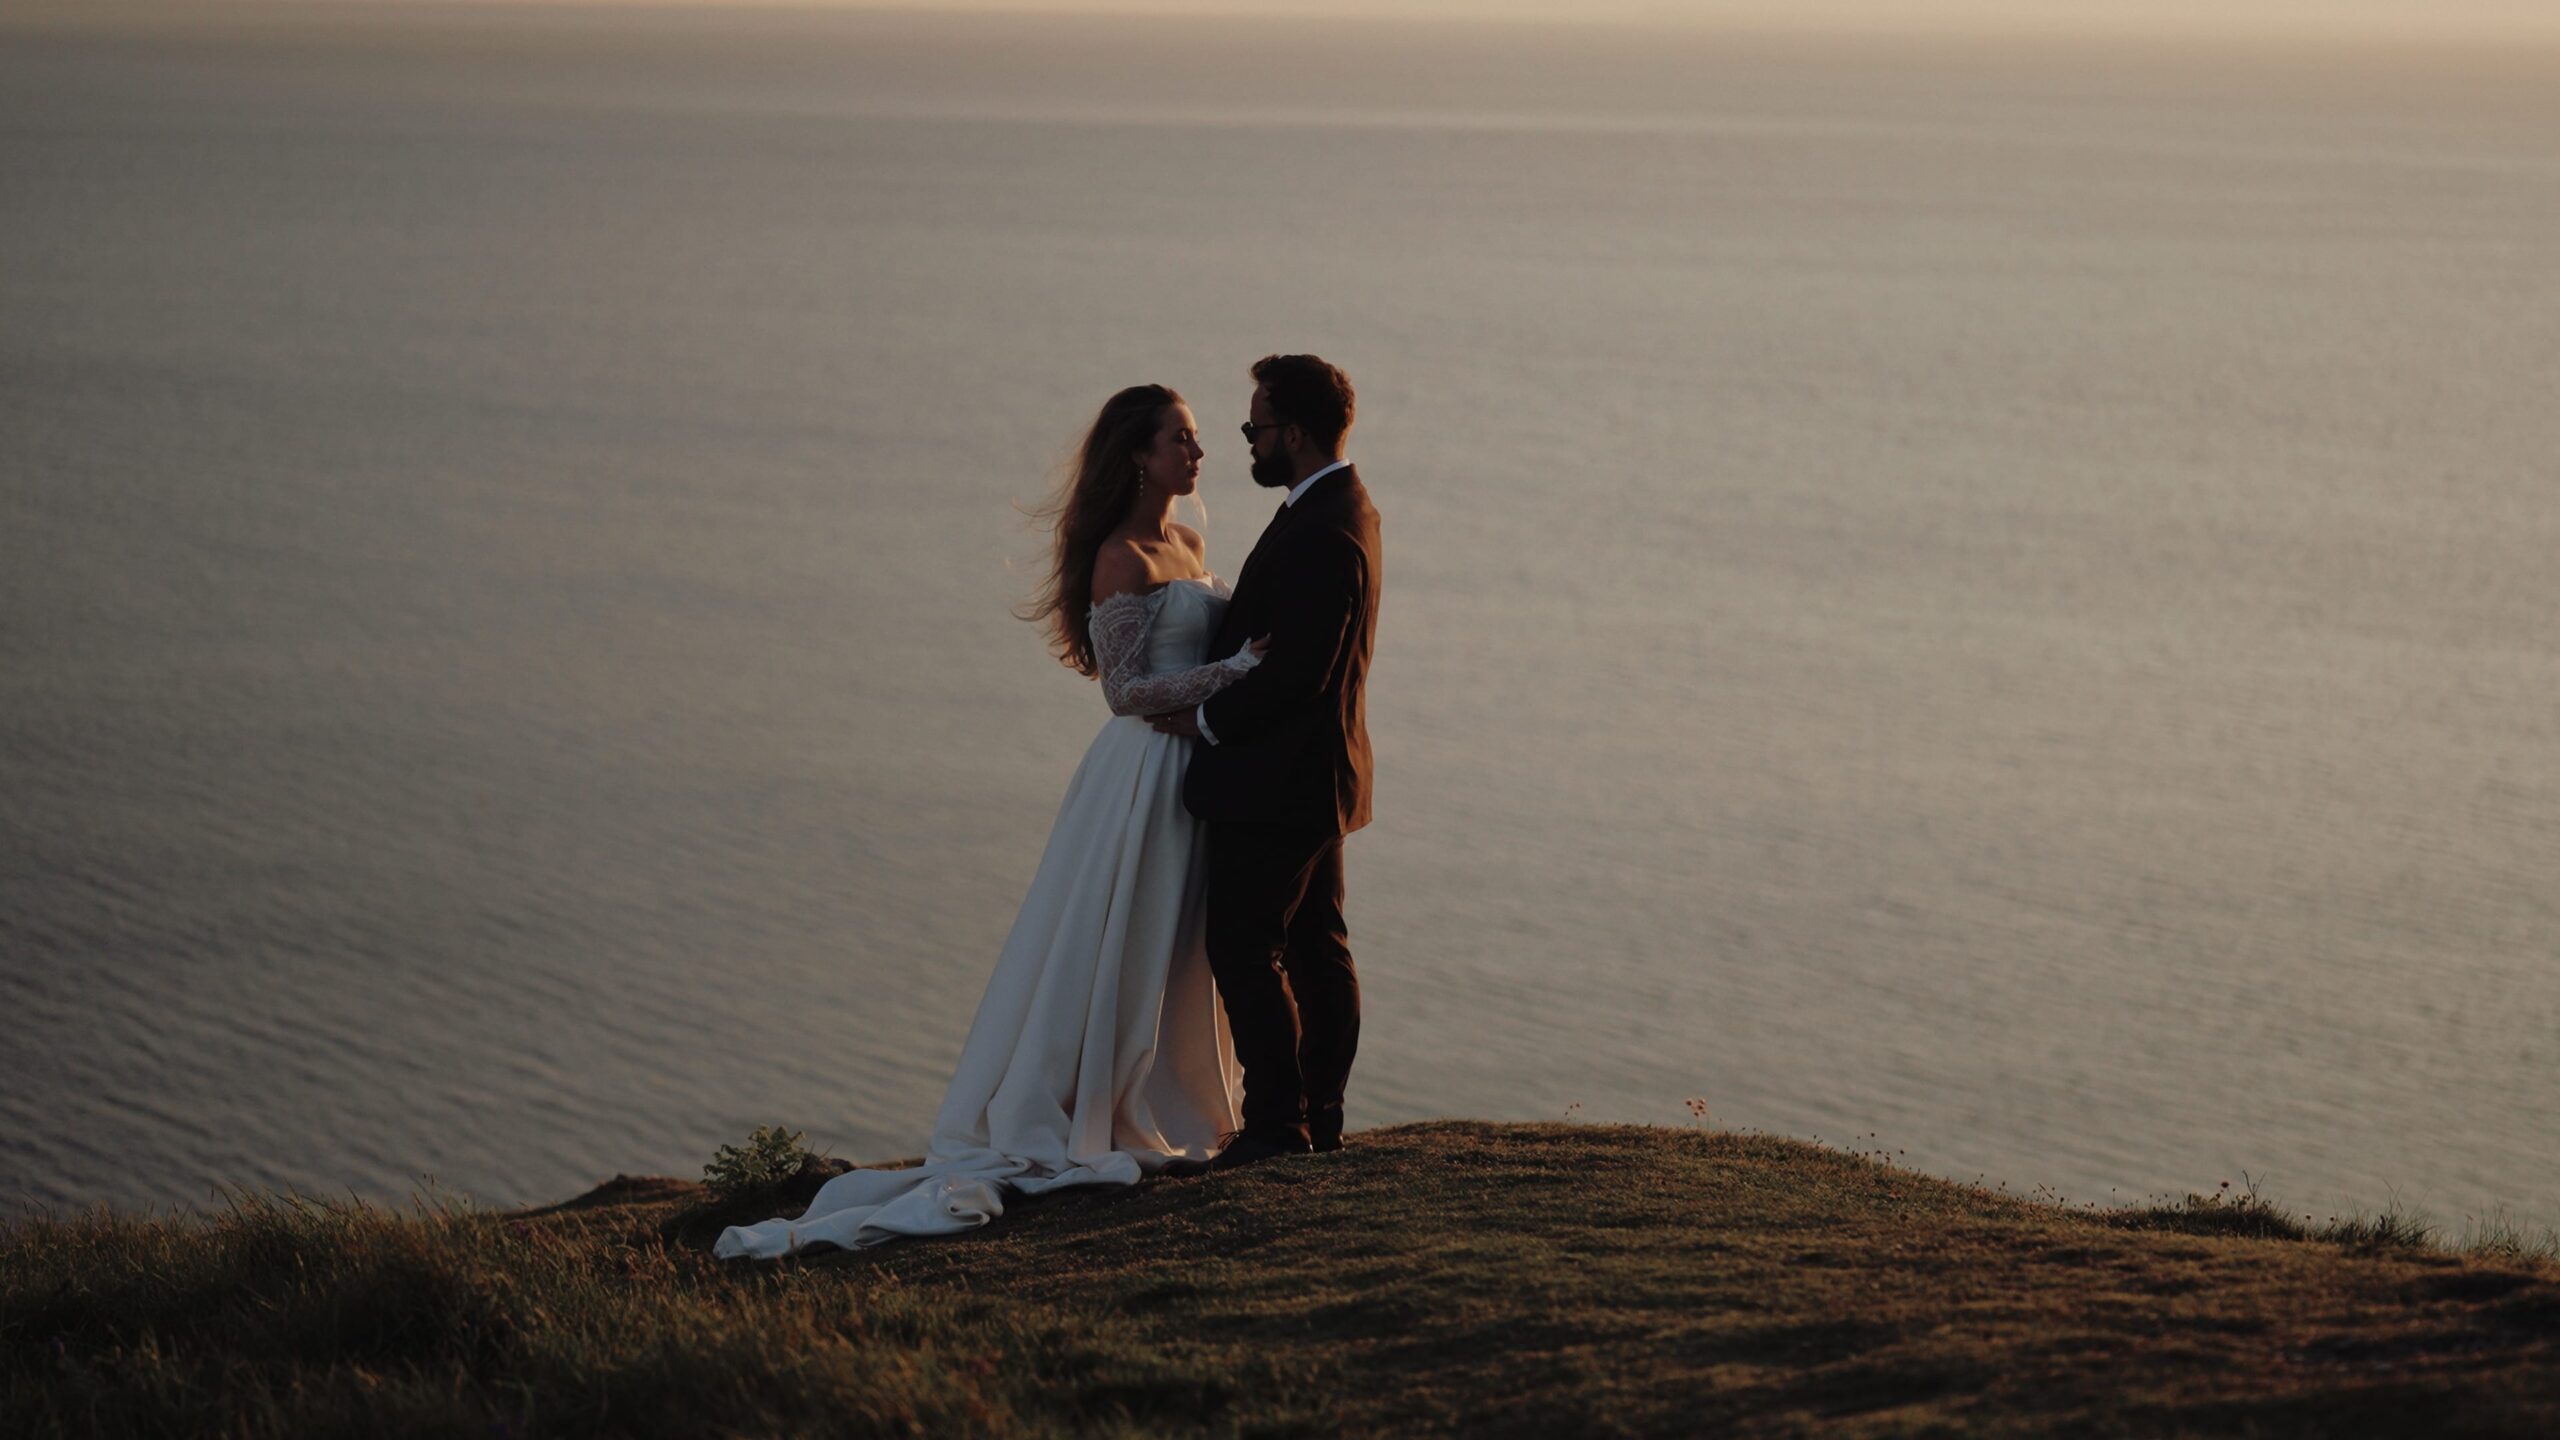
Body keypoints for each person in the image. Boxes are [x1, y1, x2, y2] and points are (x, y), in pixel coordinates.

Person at [715, 384, 1265, 1258]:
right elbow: (1122, 694)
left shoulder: (1191, 542)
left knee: (1181, 940)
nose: (1198, 454)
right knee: (1123, 937)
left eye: (1197, 440)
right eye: (1182, 439)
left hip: (1193, 763)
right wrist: (1232, 674)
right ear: (1138, 455)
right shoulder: (1120, 557)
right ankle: (1096, 1102)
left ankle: (1177, 1101)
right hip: (1140, 776)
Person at [1149, 354, 1381, 1169]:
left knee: (1246, 947)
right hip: (1319, 778)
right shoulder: (1337, 508)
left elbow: (1298, 672)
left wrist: (1200, 719)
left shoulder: (1324, 528)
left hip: (1281, 782)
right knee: (1318, 948)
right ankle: (1319, 1114)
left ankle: (1281, 1124)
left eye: (1257, 428)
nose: (1249, 443)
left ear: (1298, 431)